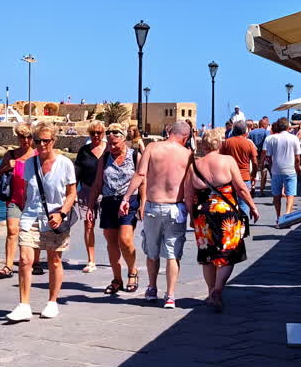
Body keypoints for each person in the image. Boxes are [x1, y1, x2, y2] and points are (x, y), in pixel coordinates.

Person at [7, 122, 78, 322]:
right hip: (31, 217)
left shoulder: (65, 164)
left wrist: (62, 213)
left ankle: (52, 301)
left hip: (54, 218)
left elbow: (72, 193)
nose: (41, 144)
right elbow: (25, 191)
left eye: (46, 140)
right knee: (25, 260)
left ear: (53, 141)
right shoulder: (29, 163)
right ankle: (24, 305)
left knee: (54, 260)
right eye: (38, 140)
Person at [121, 121, 191, 308]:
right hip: (176, 208)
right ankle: (170, 295)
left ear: (170, 132)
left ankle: (152, 288)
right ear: (185, 137)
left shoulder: (152, 147)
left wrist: (126, 198)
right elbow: (191, 186)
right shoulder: (187, 154)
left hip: (153, 207)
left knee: (152, 251)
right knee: (172, 254)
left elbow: (140, 174)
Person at [188, 128, 259, 312]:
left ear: (204, 143)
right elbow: (241, 188)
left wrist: (191, 216)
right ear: (220, 143)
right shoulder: (228, 161)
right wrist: (252, 206)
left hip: (202, 214)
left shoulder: (195, 165)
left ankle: (211, 291)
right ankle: (218, 290)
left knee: (207, 254)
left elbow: (189, 195)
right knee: (228, 253)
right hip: (226, 211)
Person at [86, 123, 143, 294]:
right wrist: (91, 206)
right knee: (111, 243)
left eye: (115, 143)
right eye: (109, 143)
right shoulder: (104, 158)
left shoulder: (135, 156)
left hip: (128, 202)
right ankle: (117, 278)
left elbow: (142, 180)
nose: (112, 146)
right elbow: (97, 184)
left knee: (125, 240)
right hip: (109, 201)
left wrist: (143, 203)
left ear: (124, 139)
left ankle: (132, 271)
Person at [0, 123, 36, 278]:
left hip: (32, 201)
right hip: (14, 199)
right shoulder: (11, 155)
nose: (25, 140)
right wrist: (7, 166)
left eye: (28, 137)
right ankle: (8, 266)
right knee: (12, 230)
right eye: (22, 137)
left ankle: (35, 263)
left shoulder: (37, 155)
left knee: (32, 232)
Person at [73, 121, 107, 273]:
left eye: (98, 133)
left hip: (107, 193)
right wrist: (73, 192)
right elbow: (77, 173)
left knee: (110, 229)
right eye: (92, 133)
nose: (95, 136)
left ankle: (115, 256)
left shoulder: (108, 150)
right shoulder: (84, 151)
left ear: (103, 133)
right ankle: (91, 260)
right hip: (87, 191)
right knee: (88, 225)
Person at [262, 118, 301, 222]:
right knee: (290, 194)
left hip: (276, 170)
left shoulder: (272, 139)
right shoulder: (294, 138)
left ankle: (278, 217)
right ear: (288, 127)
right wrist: (298, 168)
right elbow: (297, 158)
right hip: (290, 170)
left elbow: (269, 156)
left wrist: (271, 167)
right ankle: (287, 216)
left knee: (276, 195)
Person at [219, 120, 257, 218]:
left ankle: (230, 223)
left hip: (229, 177)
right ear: (245, 131)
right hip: (244, 177)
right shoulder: (249, 144)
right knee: (244, 204)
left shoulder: (227, 143)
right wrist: (253, 174)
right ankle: (243, 227)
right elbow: (255, 162)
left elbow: (221, 158)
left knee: (229, 202)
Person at [248, 116, 270, 196]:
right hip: (263, 156)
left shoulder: (251, 133)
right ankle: (261, 190)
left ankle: (252, 186)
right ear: (264, 125)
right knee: (263, 173)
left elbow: (249, 143)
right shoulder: (266, 132)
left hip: (253, 155)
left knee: (252, 172)